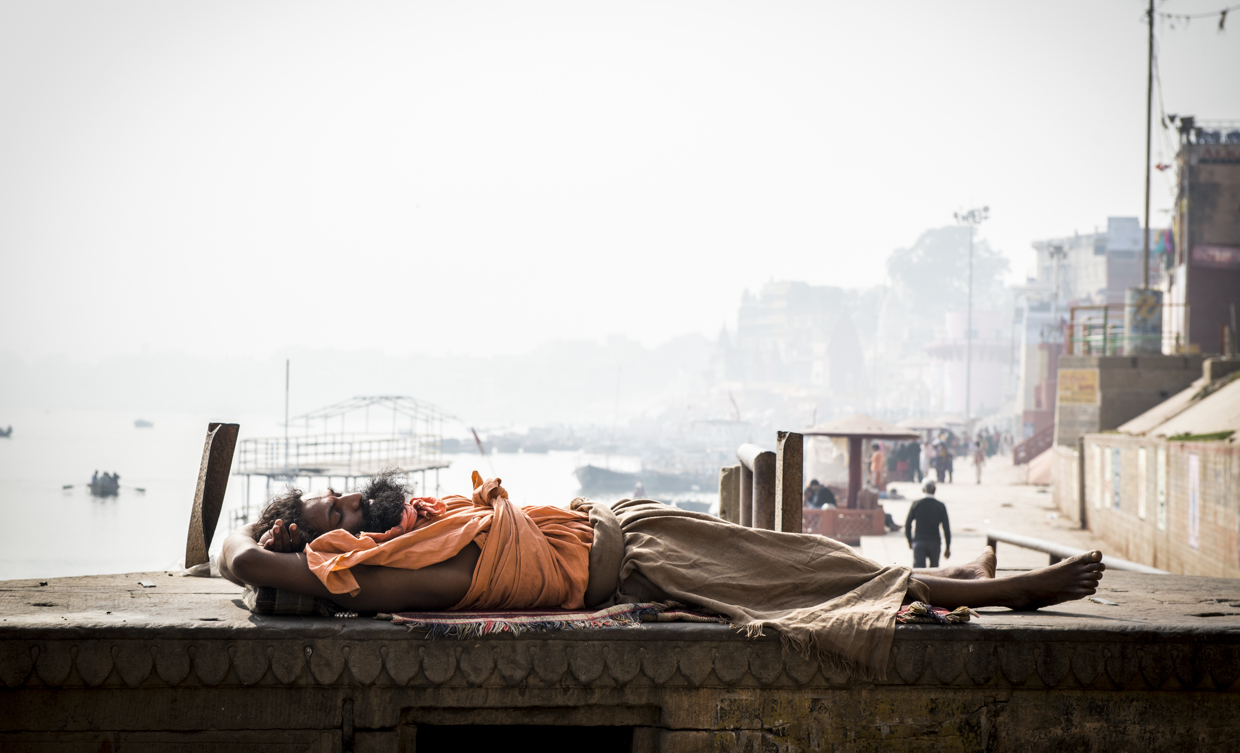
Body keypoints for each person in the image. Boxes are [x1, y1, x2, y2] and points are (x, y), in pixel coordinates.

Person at [219, 469, 1106, 677]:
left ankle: (954, 573)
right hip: (641, 563)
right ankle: (1006, 591)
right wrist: (259, 551)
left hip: (631, 527)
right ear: (317, 549)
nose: (358, 505)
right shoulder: (377, 572)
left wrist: (278, 541)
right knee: (815, 581)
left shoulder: (408, 529)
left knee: (815, 560)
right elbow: (240, 555)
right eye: (335, 513)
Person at [905, 477, 950, 568]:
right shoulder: (940, 506)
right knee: (934, 573)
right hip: (935, 543)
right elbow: (946, 528)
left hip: (919, 542)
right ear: (934, 490)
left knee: (918, 573)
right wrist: (947, 547)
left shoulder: (916, 504)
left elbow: (907, 524)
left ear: (922, 489)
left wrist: (910, 541)